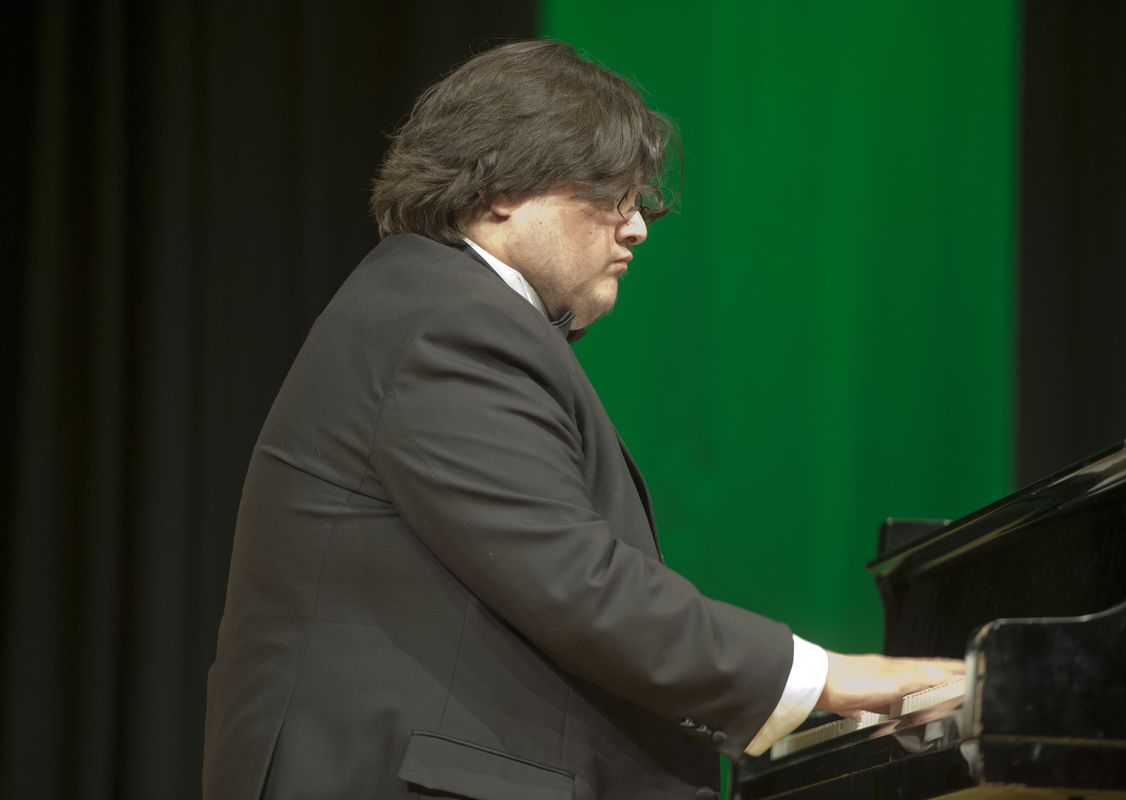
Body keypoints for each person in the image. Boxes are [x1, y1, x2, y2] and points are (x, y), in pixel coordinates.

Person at [203, 40, 962, 800]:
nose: (636, 229)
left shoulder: (432, 305)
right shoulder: (451, 322)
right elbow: (577, 583)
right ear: (502, 190)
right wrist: (826, 676)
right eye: (611, 196)